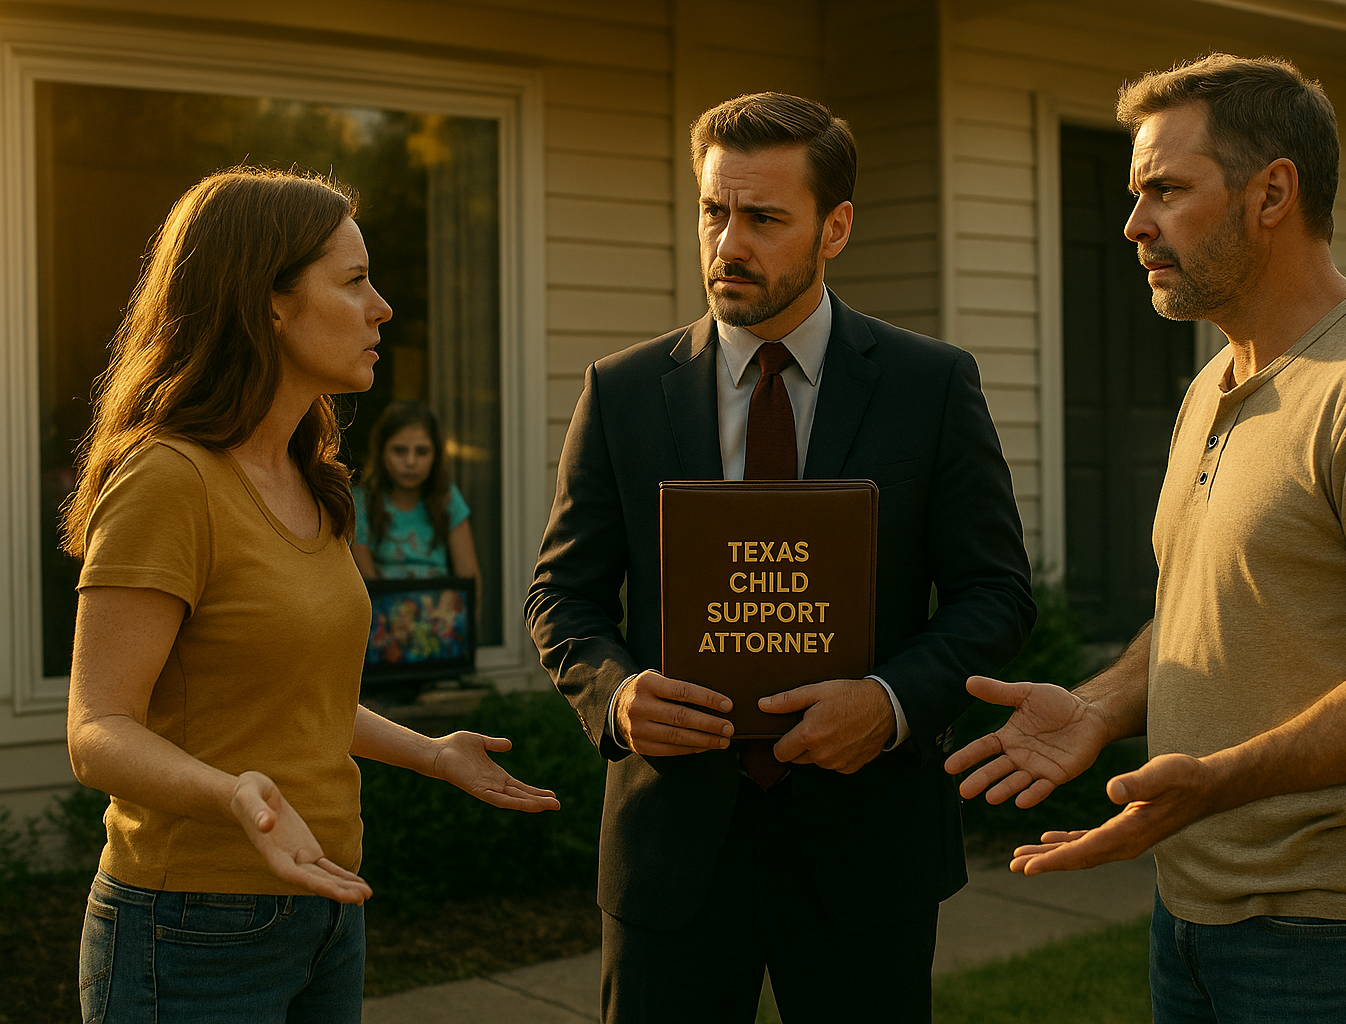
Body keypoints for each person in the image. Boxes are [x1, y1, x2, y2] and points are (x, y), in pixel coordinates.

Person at [946, 54, 1346, 1023]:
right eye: (1135, 194)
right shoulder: (1212, 383)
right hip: (1192, 915)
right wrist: (1100, 703)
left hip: (1338, 940)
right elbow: (1220, 611)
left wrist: (1216, 782)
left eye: (1165, 189)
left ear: (1272, 192)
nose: (1134, 225)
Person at [525, 92, 1034, 1023]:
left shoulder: (930, 386)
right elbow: (562, 593)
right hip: (671, 846)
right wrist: (620, 696)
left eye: (763, 218)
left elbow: (994, 595)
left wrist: (888, 705)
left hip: (865, 848)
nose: (728, 244)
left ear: (835, 226)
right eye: (715, 212)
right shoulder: (625, 391)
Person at [62, 167, 559, 1024]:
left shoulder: (310, 475)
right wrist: (233, 796)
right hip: (190, 928)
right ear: (270, 303)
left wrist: (432, 754)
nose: (384, 309)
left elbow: (298, 700)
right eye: (356, 280)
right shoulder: (168, 480)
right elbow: (96, 730)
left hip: (325, 908)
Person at [350, 400, 480, 593]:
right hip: (382, 615)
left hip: (440, 616)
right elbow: (367, 582)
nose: (411, 462)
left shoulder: (447, 498)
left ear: (436, 455)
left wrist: (467, 622)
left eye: (422, 451)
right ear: (381, 452)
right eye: (399, 451)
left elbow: (469, 579)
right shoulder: (361, 502)